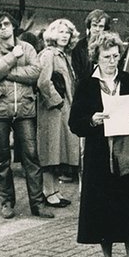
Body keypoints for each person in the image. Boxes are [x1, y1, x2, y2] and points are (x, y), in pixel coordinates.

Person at [69, 31, 129, 257]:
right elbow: (75, 123)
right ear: (96, 56)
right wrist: (92, 120)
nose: (112, 61)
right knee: (102, 211)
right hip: (99, 156)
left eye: (116, 56)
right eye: (107, 57)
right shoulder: (86, 85)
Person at [0, 12, 51, 219]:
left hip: (25, 109)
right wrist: (13, 57)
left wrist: (7, 72)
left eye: (6, 24)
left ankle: (37, 204)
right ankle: (6, 203)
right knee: (2, 158)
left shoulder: (28, 48)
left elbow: (35, 72)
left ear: (13, 26)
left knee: (31, 156)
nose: (3, 28)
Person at [36, 18, 80, 209]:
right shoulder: (49, 54)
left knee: (58, 150)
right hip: (53, 111)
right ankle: (48, 191)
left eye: (67, 32)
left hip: (63, 110)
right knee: (50, 150)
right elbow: (43, 81)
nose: (64, 36)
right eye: (61, 32)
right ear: (52, 33)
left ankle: (54, 190)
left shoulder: (63, 55)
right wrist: (58, 101)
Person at [70, 8, 108, 82]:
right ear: (89, 27)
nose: (97, 29)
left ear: (104, 28)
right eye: (94, 25)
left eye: (101, 26)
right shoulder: (79, 46)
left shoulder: (108, 45)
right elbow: (76, 72)